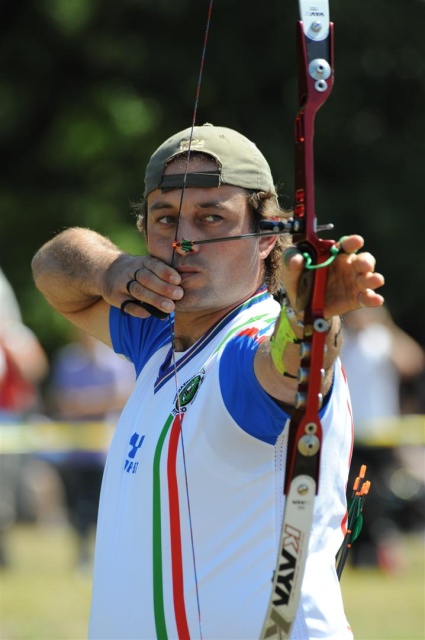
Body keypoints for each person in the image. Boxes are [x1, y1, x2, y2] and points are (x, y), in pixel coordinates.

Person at [31, 124, 385, 640]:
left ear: (267, 236)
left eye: (211, 217)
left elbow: (289, 368)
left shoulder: (247, 350)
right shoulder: (156, 338)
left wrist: (313, 318)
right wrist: (113, 271)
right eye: (165, 219)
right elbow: (53, 265)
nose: (184, 240)